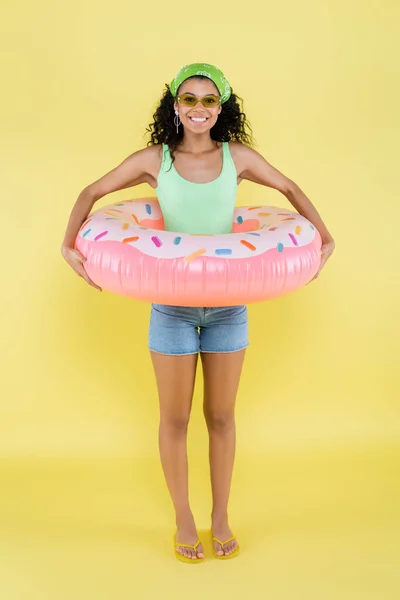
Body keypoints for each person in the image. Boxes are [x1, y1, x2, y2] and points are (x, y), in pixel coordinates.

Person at [61, 63, 335, 562]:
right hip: (172, 309)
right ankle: (184, 519)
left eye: (209, 101)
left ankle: (220, 517)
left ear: (221, 108)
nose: (199, 109)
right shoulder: (154, 160)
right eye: (189, 99)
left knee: (223, 417)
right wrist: (68, 246)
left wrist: (326, 236)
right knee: (174, 418)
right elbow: (92, 193)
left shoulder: (239, 157)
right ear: (175, 107)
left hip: (228, 308)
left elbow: (290, 189)